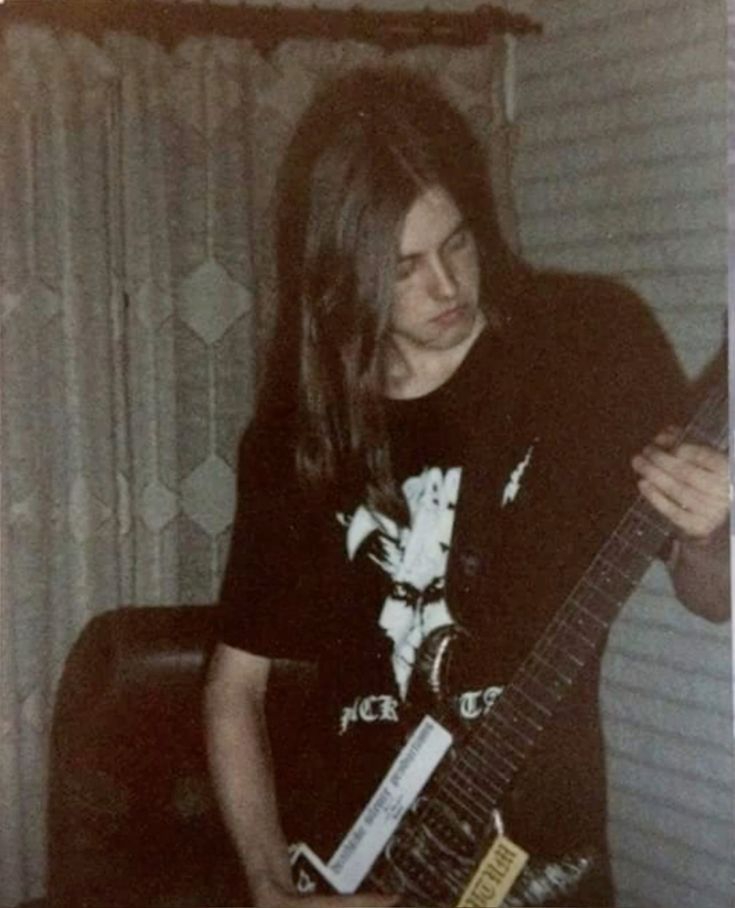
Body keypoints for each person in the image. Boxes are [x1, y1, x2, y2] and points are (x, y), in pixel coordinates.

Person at [205, 67, 729, 908]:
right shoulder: (297, 436)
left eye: (456, 243)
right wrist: (269, 884)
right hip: (353, 866)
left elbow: (711, 596)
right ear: (339, 275)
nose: (446, 288)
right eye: (404, 267)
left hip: (540, 867)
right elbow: (235, 685)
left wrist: (708, 531)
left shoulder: (590, 344)